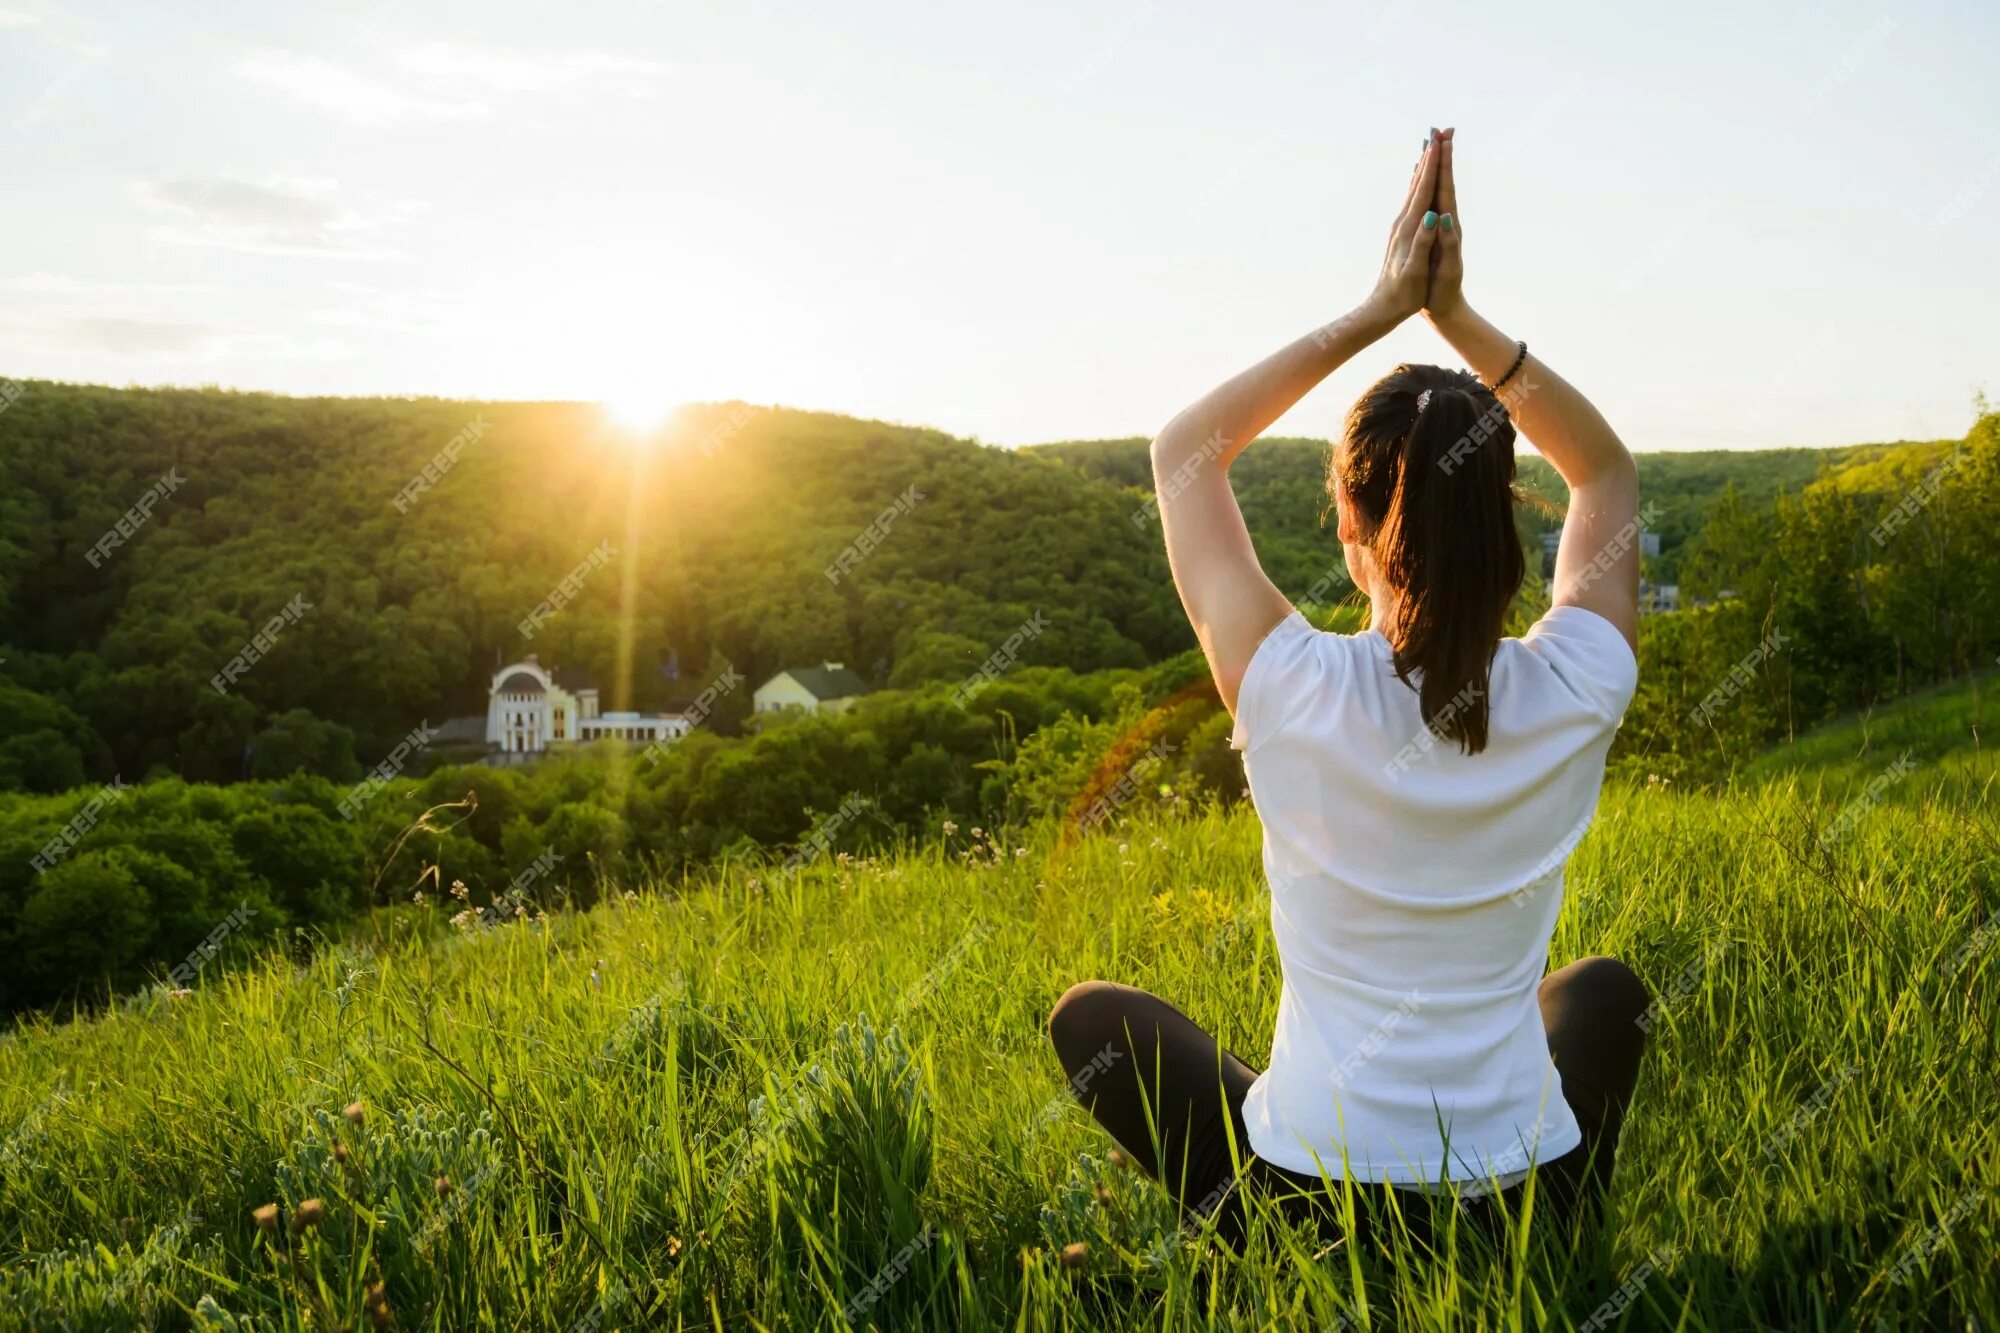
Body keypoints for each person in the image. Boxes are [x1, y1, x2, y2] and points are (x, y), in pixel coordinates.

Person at [1048, 127, 1651, 1253]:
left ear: (1346, 525)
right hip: (1518, 1204)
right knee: (1604, 991)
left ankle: (1283, 1252)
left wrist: (1384, 306)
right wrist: (1462, 321)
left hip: (1313, 1210)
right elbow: (1606, 470)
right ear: (1506, 522)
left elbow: (1185, 445)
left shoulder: (1285, 685)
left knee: (1092, 1020)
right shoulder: (1576, 682)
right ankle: (1553, 1229)